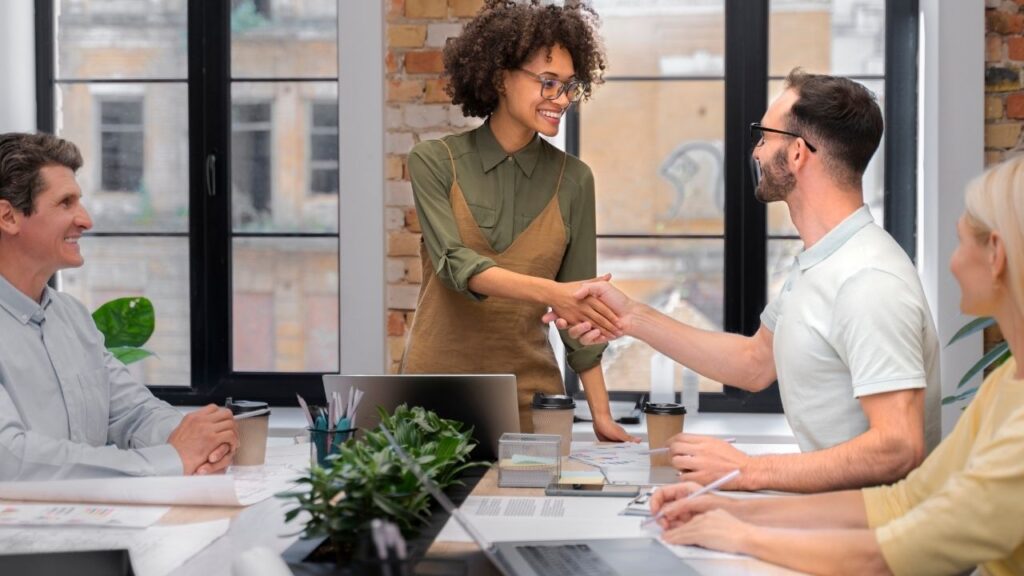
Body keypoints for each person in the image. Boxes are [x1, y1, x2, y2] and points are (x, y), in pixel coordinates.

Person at [547, 70, 941, 492]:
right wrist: (632, 317)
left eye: (765, 135)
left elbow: (897, 447)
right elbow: (755, 362)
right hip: (833, 521)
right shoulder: (821, 260)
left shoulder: (868, 281)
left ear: (796, 154)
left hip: (874, 545)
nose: (755, 150)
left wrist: (749, 470)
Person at [649, 155, 1024, 576]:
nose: (952, 262)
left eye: (960, 243)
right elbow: (902, 502)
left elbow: (885, 557)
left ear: (995, 253)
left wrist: (740, 532)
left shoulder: (870, 279)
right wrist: (733, 510)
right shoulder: (1003, 387)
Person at [402, 0, 635, 441]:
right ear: (499, 77)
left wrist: (602, 416)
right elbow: (456, 264)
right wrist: (553, 293)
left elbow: (579, 315)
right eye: (547, 82)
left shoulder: (575, 181)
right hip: (431, 400)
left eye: (569, 85)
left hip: (533, 405)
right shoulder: (434, 162)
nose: (561, 99)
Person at [0, 132, 238, 480]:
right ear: (8, 217)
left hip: (91, 524)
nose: (85, 220)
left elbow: (134, 413)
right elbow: (11, 458)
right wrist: (172, 458)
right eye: (65, 203)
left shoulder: (72, 318)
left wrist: (203, 441)